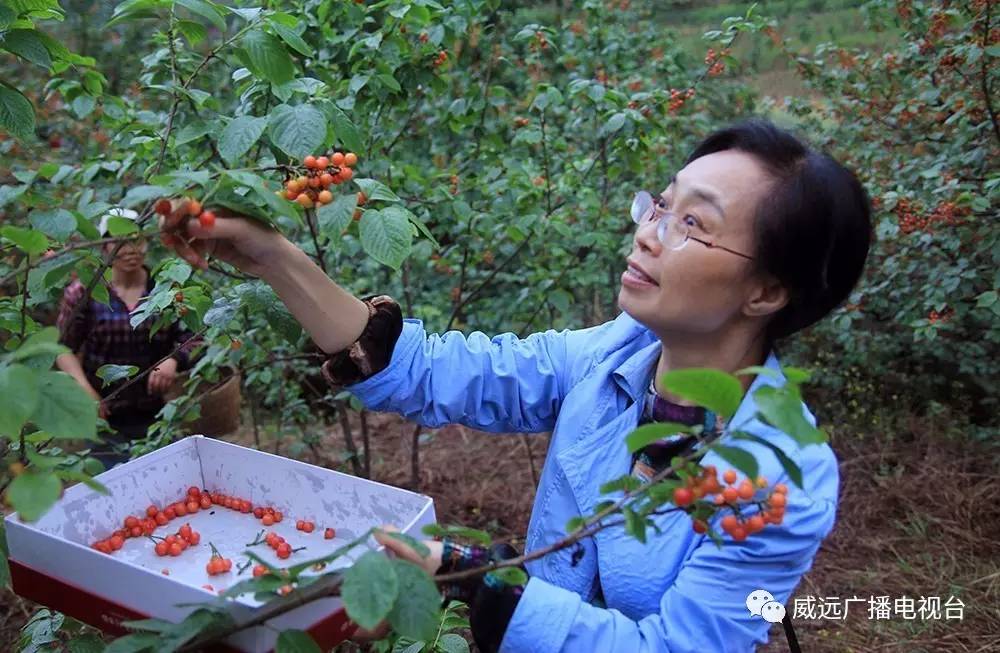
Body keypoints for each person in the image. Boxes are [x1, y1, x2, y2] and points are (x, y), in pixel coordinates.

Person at [159, 118, 872, 652]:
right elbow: (434, 368)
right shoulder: (614, 355)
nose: (650, 233)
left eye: (694, 224)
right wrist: (272, 255)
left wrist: (480, 576)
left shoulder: (783, 476)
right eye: (660, 204)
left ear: (767, 291)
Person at [56, 209, 201, 469]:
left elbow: (193, 335)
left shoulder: (167, 288)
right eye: (119, 241)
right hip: (105, 413)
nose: (130, 249)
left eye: (136, 239)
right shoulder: (85, 293)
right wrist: (86, 391)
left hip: (158, 409)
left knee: (162, 481)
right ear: (104, 247)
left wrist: (173, 360)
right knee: (112, 485)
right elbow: (63, 349)